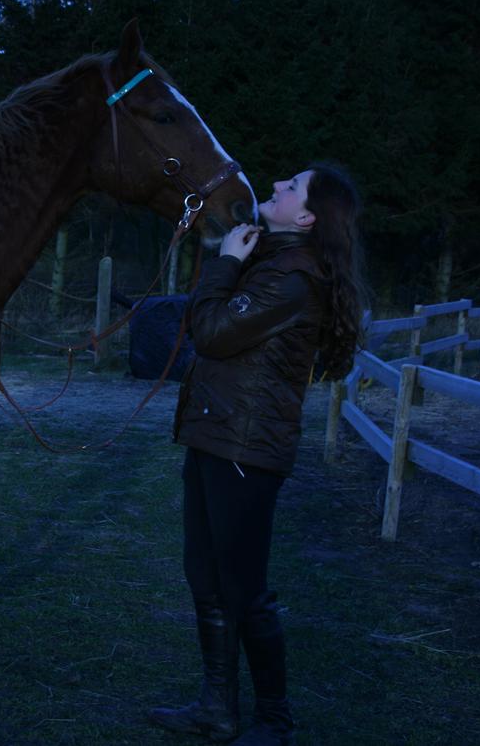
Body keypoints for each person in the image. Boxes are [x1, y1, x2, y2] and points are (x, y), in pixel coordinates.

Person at [149, 163, 366, 745]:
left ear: (309, 216)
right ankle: (216, 709)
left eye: (290, 188)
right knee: (207, 579)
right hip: (216, 436)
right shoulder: (273, 259)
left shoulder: (294, 278)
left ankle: (275, 721)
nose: (275, 187)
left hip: (246, 449)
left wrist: (224, 263)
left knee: (244, 588)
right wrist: (231, 258)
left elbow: (214, 332)